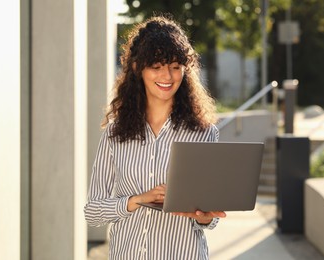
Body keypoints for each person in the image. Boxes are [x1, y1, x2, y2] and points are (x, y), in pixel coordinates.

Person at [84, 15, 226, 260]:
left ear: (185, 69)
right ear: (138, 68)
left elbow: (208, 218)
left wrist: (205, 218)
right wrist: (137, 200)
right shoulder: (115, 133)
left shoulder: (204, 134)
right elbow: (93, 211)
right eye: (157, 67)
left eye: (174, 67)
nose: (167, 77)